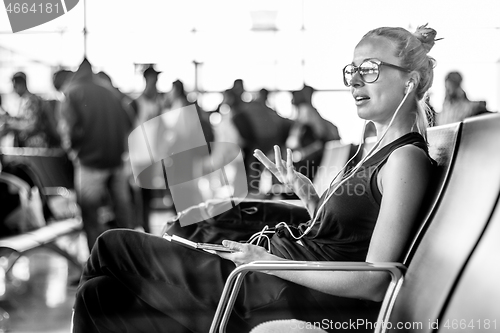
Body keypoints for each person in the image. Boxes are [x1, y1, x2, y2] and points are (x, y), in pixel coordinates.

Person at [73, 24, 438, 333]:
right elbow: (346, 239)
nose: (355, 80)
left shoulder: (405, 159)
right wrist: (311, 199)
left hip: (277, 292)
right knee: (101, 296)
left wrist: (264, 260)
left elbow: (377, 280)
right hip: (269, 276)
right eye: (352, 70)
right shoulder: (373, 150)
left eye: (370, 69)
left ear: (410, 81)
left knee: (111, 246)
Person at [59, 58, 138, 252]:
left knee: (90, 215)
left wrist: (74, 152)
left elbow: (69, 130)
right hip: (116, 162)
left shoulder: (72, 92)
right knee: (123, 214)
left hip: (90, 164)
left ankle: (97, 264)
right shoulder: (110, 92)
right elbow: (130, 122)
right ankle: (129, 259)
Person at [286, 85, 341, 180]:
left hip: (312, 169)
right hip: (323, 167)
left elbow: (292, 143)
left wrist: (301, 154)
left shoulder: (305, 121)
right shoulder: (323, 124)